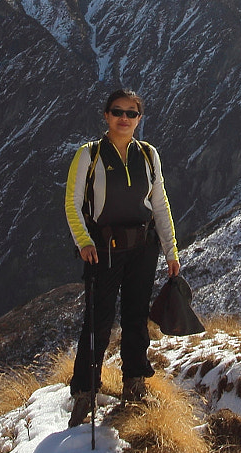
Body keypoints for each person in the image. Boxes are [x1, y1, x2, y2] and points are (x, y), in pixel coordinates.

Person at [64, 89, 179, 424]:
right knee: (97, 322)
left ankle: (134, 383)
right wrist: (84, 242)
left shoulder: (148, 154)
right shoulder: (89, 155)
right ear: (106, 116)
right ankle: (85, 390)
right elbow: (72, 203)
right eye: (118, 112)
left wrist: (171, 248)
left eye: (131, 113)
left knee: (135, 318)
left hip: (143, 249)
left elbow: (160, 203)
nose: (124, 119)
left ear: (139, 119)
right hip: (103, 251)